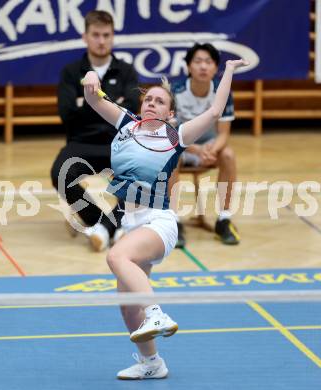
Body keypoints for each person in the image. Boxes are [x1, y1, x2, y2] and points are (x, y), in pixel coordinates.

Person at [82, 58, 247, 379]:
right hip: (131, 223)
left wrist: (226, 71)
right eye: (148, 99)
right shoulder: (125, 123)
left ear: (170, 112)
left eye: (160, 101)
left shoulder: (176, 136)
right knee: (128, 305)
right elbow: (92, 98)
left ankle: (156, 312)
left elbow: (214, 112)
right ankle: (152, 364)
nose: (152, 104)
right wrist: (90, 78)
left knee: (117, 257)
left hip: (158, 223)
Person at [50, 10, 140, 251]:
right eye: (96, 35)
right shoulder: (71, 72)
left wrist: (87, 102)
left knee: (142, 173)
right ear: (85, 37)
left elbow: (131, 112)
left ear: (113, 37)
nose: (101, 41)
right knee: (60, 173)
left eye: (106, 35)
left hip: (118, 142)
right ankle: (104, 224)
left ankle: (104, 230)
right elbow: (67, 114)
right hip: (81, 142)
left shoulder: (127, 71)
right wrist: (112, 103)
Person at [172, 43, 240, 246]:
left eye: (208, 62)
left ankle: (224, 218)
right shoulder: (175, 91)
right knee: (170, 155)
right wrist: (196, 149)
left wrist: (212, 151)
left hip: (210, 147)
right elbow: (171, 133)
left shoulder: (223, 91)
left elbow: (224, 134)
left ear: (216, 68)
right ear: (188, 67)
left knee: (228, 155)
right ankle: (173, 220)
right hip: (183, 145)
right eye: (198, 61)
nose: (203, 67)